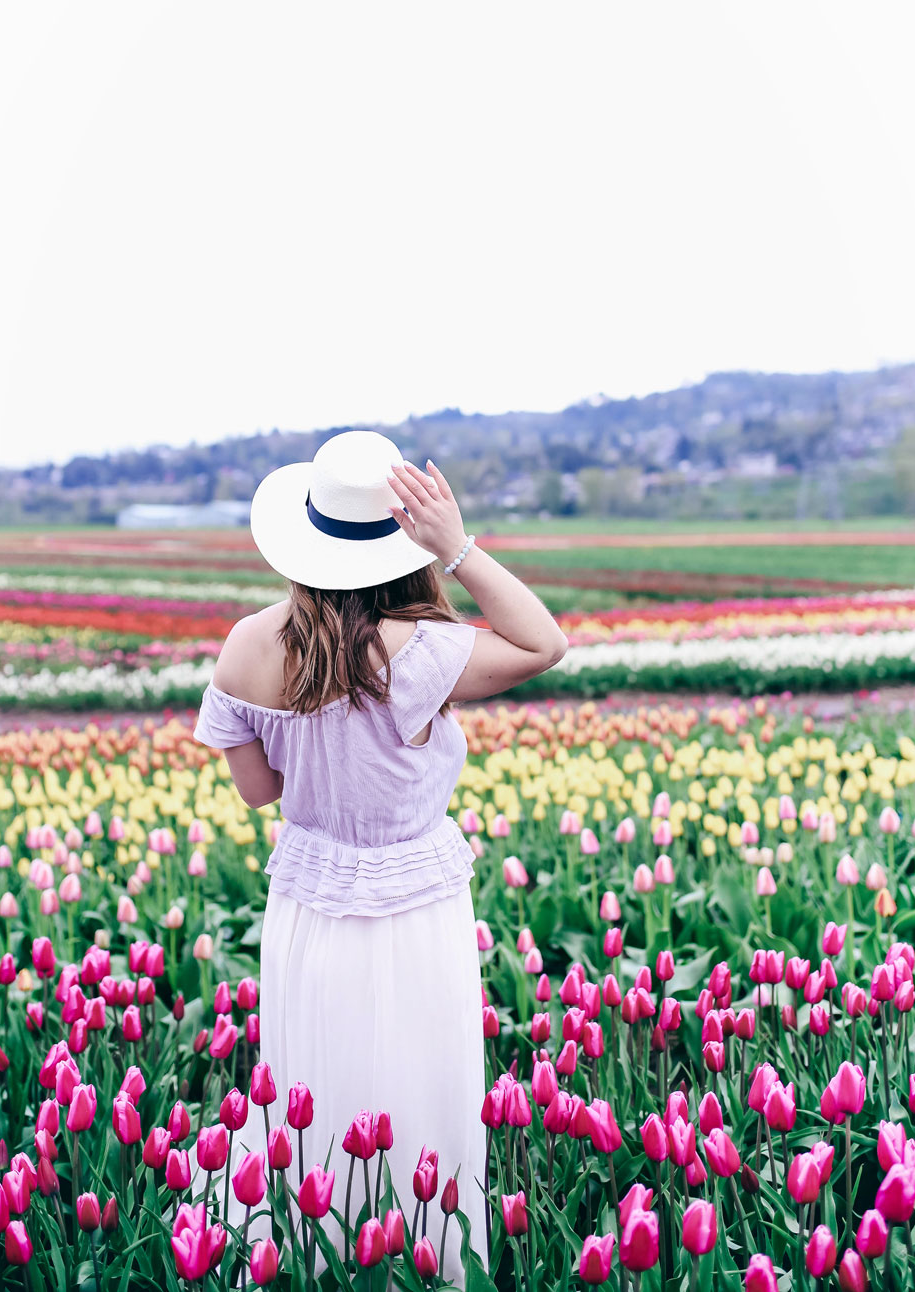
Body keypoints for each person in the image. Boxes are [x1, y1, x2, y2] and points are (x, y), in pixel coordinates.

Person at [191, 428, 568, 1285]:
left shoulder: (247, 643)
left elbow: (259, 793)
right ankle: (423, 1253)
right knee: (417, 1079)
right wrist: (460, 546)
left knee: (314, 1077)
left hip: (310, 897)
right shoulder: (424, 651)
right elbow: (545, 644)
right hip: (413, 901)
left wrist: (323, 749)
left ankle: (316, 1248)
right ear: (403, 544)